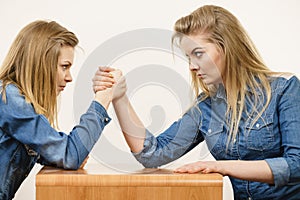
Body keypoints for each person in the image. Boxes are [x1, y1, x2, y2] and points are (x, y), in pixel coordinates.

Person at [93, 5, 300, 200]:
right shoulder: (205, 108)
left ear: (227, 47)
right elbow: (152, 154)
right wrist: (119, 97)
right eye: (188, 57)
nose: (191, 66)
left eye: (198, 54)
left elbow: (296, 165)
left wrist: (223, 167)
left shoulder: (284, 90)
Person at [0, 20, 123, 200]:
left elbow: (67, 154)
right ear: (40, 63)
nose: (69, 77)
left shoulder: (13, 99)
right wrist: (103, 98)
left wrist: (69, 154)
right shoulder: (9, 99)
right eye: (64, 67)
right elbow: (71, 154)